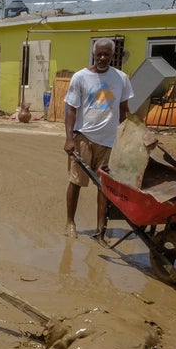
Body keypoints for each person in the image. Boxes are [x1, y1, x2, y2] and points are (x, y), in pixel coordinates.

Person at [62, 38, 133, 241]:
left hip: (109, 142)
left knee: (104, 187)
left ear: (113, 55)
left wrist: (131, 135)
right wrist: (69, 139)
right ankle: (70, 222)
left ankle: (100, 229)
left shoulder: (121, 78)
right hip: (84, 137)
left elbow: (124, 110)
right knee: (76, 182)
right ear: (94, 54)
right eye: (99, 54)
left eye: (106, 54)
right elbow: (71, 111)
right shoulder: (80, 77)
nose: (102, 58)